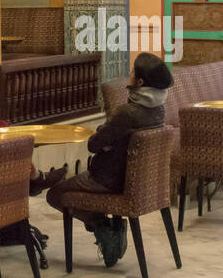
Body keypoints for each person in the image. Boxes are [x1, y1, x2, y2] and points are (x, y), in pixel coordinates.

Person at [46, 52, 173, 267]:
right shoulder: (158, 108)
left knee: (56, 193)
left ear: (140, 81)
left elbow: (93, 145)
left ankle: (103, 226)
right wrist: (107, 137)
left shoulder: (128, 112)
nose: (130, 74)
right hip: (139, 181)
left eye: (133, 71)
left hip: (107, 179)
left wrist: (105, 137)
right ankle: (105, 225)